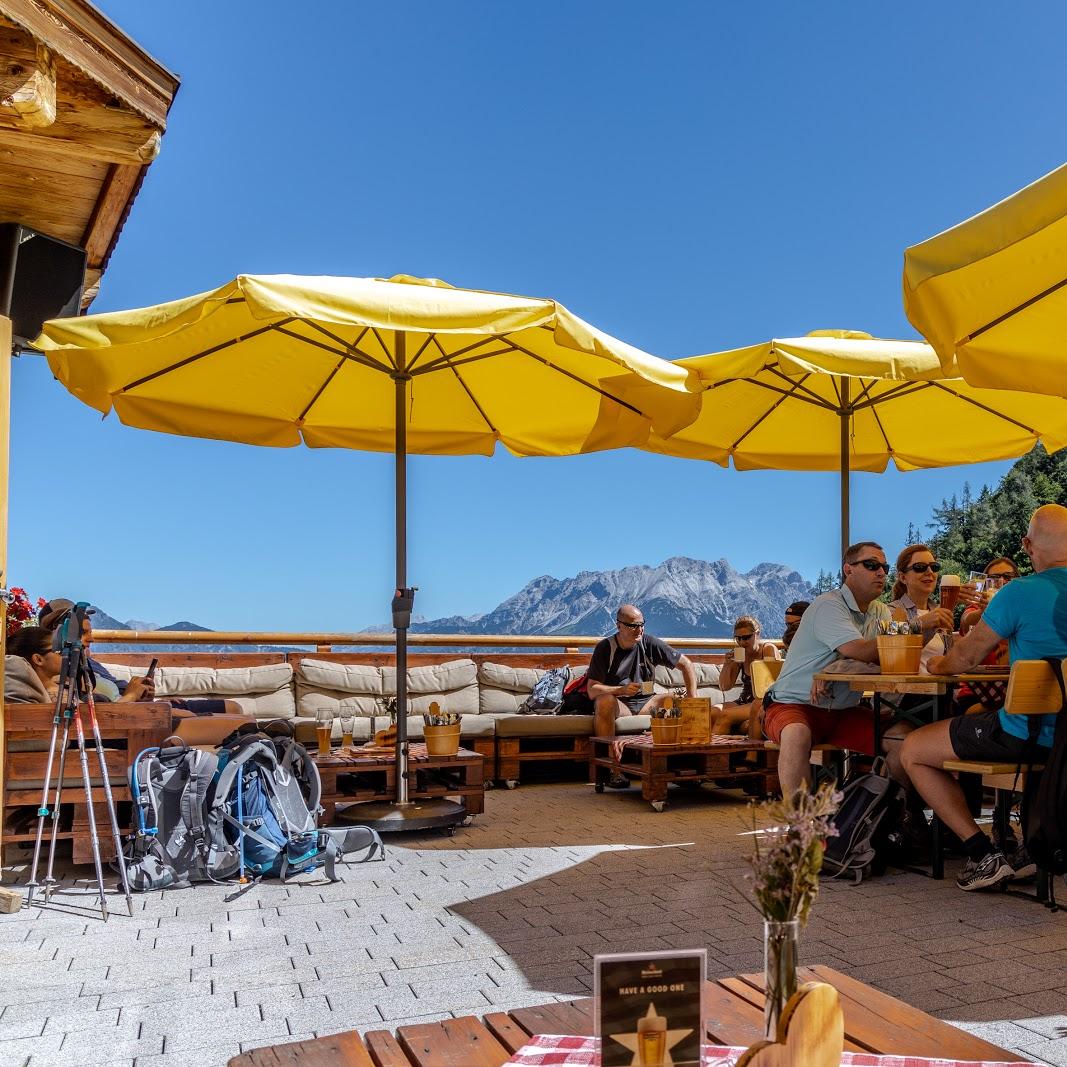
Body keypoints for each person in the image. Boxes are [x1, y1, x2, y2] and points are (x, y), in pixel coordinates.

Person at [900, 504, 1067, 892]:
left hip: (1029, 737)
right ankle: (1029, 849)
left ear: (1027, 545)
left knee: (912, 748)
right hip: (1065, 737)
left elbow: (963, 659)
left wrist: (938, 663)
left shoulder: (1019, 593)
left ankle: (981, 853)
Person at [762, 541, 910, 797]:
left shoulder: (881, 612)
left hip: (841, 710)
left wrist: (836, 666)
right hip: (793, 704)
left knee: (904, 741)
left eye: (884, 567)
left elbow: (889, 660)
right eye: (871, 564)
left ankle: (895, 816)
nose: (881, 572)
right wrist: (916, 627)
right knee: (796, 734)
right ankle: (802, 829)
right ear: (848, 569)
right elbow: (863, 651)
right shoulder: (829, 605)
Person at [37, 598, 241, 715]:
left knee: (234, 708)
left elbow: (119, 690)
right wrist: (134, 697)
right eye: (82, 632)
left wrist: (145, 694)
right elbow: (98, 710)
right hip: (133, 715)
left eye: (90, 632)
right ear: (58, 633)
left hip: (140, 708)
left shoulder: (89, 664)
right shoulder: (64, 671)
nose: (91, 639)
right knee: (233, 715)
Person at [588, 604, 699, 755]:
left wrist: (693, 698)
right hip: (620, 705)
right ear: (619, 626)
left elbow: (686, 664)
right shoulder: (605, 648)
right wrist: (621, 690)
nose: (639, 630)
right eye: (633, 626)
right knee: (604, 701)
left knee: (680, 700)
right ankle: (610, 767)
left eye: (641, 624)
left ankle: (684, 759)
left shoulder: (649, 643)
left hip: (648, 702)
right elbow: (592, 689)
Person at [713, 615, 779, 736]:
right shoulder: (739, 654)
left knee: (725, 715)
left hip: (762, 701)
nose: (742, 642)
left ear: (757, 634)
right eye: (738, 638)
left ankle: (717, 753)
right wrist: (727, 665)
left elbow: (774, 683)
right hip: (744, 700)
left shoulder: (768, 650)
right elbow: (724, 687)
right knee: (711, 712)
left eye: (747, 637)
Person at [886, 545, 954, 635]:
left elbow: (953, 649)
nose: (930, 572)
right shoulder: (891, 610)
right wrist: (921, 623)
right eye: (920, 567)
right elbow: (889, 634)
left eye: (934, 567)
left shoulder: (938, 611)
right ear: (902, 577)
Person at [5, 626, 60, 703]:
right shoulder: (55, 695)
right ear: (38, 659)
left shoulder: (59, 686)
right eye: (59, 651)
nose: (66, 654)